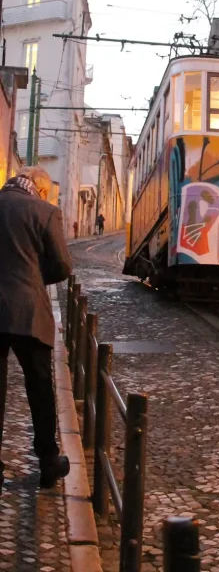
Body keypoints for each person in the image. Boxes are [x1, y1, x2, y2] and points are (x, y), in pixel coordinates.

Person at [0, 166, 73, 489]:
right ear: (41, 190)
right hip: (29, 312)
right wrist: (33, 279)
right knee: (40, 389)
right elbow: (62, 266)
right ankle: (48, 462)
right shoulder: (45, 211)